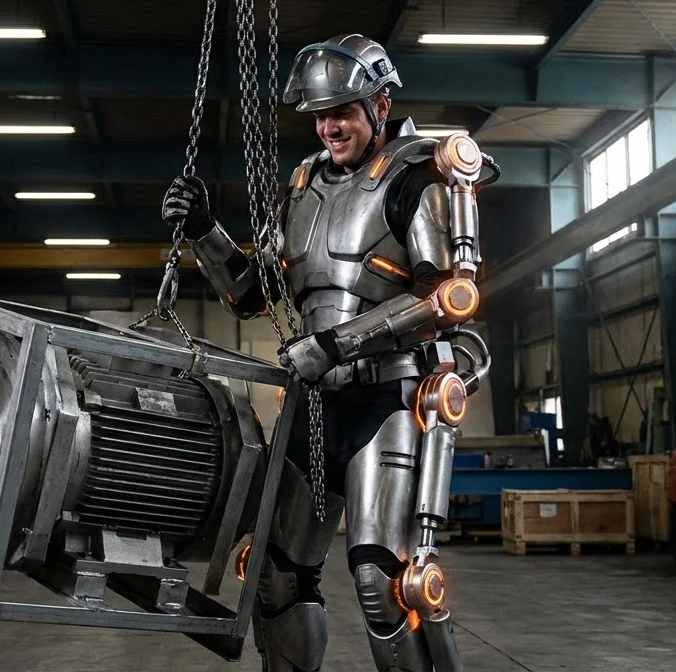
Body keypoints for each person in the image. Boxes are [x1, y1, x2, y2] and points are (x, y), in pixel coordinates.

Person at [161, 34, 491, 672]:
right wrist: (204, 229)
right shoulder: (305, 183)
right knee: (274, 575)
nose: (329, 125)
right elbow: (255, 292)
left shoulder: (417, 175)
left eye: (343, 110)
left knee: (383, 583)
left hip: (389, 397)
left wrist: (338, 343)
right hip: (315, 404)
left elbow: (448, 295)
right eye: (320, 114)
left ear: (380, 105)